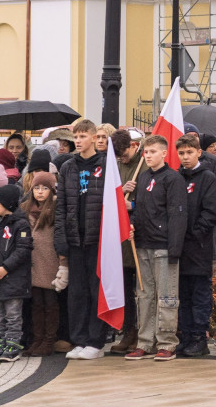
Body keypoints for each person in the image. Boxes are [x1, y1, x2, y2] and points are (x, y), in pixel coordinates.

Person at [126, 135, 187, 362]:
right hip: (142, 244)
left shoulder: (173, 179)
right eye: (146, 152)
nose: (148, 156)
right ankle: (145, 342)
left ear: (164, 153)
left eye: (152, 152)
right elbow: (140, 210)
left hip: (163, 247)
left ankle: (167, 343)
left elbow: (177, 215)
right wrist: (132, 226)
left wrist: (175, 249)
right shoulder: (142, 178)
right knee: (144, 296)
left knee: (167, 297)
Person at [54, 118, 108, 361]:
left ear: (94, 138)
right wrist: (62, 238)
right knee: (77, 292)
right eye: (75, 137)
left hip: (97, 239)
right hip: (76, 238)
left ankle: (96, 341)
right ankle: (79, 339)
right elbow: (62, 206)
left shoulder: (106, 165)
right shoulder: (68, 167)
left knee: (96, 290)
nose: (78, 141)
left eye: (83, 136)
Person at [175, 135, 216, 358]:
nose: (185, 157)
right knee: (182, 294)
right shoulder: (175, 178)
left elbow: (212, 211)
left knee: (199, 293)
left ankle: (199, 338)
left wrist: (195, 232)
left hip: (199, 246)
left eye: (189, 153)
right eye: (182, 153)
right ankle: (185, 336)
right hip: (179, 247)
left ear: (198, 153)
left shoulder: (208, 177)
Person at [0, 184, 33, 363]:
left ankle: (12, 346)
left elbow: (22, 250)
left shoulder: (21, 224)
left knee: (13, 316)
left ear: (7, 204)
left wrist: (5, 268)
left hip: (13, 280)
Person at [18, 172, 66, 356]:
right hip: (33, 262)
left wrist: (64, 264)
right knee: (36, 303)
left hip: (51, 261)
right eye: (37, 188)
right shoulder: (25, 208)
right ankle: (37, 339)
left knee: (51, 302)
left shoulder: (56, 209)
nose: (40, 192)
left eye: (45, 188)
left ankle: (49, 339)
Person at [110, 129, 143, 354]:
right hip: (119, 236)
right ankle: (128, 330)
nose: (122, 159)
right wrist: (122, 194)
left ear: (133, 146)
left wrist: (132, 204)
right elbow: (108, 196)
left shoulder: (145, 165)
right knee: (124, 288)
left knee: (141, 288)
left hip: (139, 234)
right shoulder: (115, 165)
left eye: (123, 154)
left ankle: (142, 332)